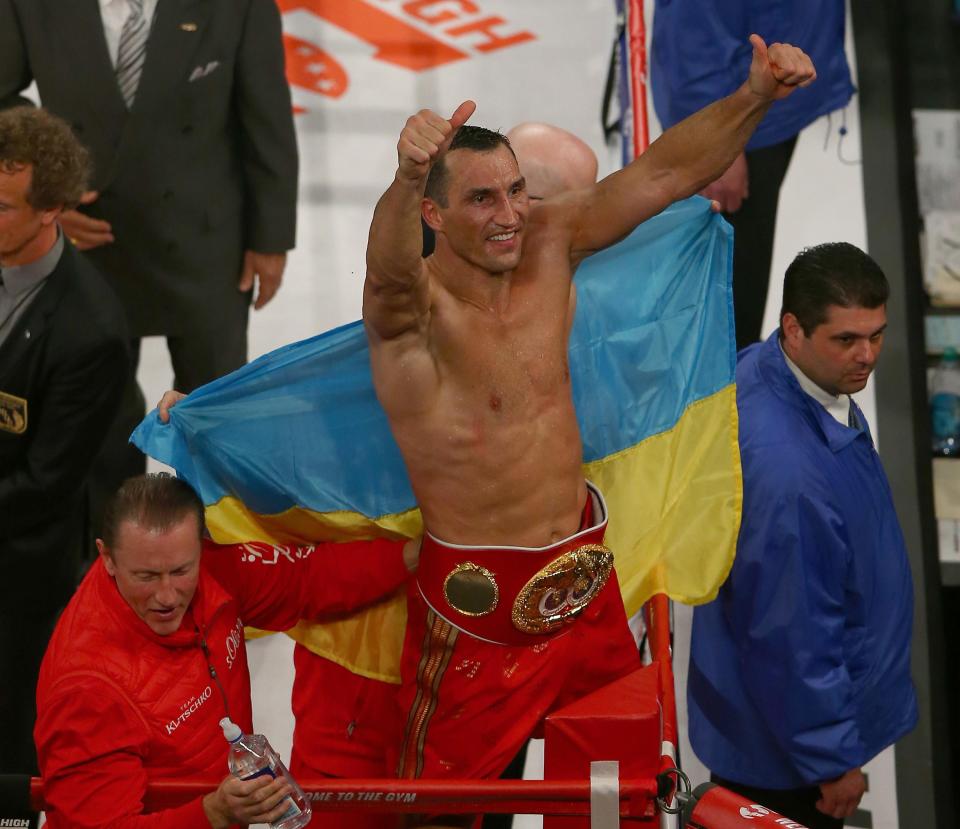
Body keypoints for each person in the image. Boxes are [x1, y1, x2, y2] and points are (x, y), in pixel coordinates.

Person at [363, 35, 816, 794]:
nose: (511, 214)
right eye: (483, 198)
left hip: (583, 592)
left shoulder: (551, 241)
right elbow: (385, 271)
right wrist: (403, 180)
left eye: (516, 189)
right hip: (478, 617)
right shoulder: (414, 315)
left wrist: (755, 96)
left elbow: (665, 171)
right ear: (434, 213)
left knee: (618, 799)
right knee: (453, 813)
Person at [0, 0, 300, 528]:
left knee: (214, 415)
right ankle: (104, 559)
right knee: (96, 423)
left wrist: (270, 237)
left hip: (209, 248)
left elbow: (266, 112)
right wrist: (50, 193)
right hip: (91, 245)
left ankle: (217, 551)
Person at [34, 473, 418, 828]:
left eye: (181, 571)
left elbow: (304, 579)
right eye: (146, 577)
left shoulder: (215, 569)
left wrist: (410, 556)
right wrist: (212, 813)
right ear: (107, 559)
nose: (167, 596)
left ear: (200, 546)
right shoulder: (86, 691)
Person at [686, 243, 917, 829]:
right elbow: (793, 633)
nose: (867, 357)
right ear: (793, 327)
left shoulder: (771, 371)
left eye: (876, 335)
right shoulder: (790, 474)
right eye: (846, 340)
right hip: (788, 763)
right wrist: (832, 760)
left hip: (762, 724)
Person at [0, 106, 129, 827]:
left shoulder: (90, 330)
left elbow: (45, 487)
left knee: (11, 730)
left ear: (51, 209)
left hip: (19, 573)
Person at [651, 0, 855, 350]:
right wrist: (715, 138)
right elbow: (691, 25)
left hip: (765, 99)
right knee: (724, 318)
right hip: (738, 118)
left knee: (737, 302)